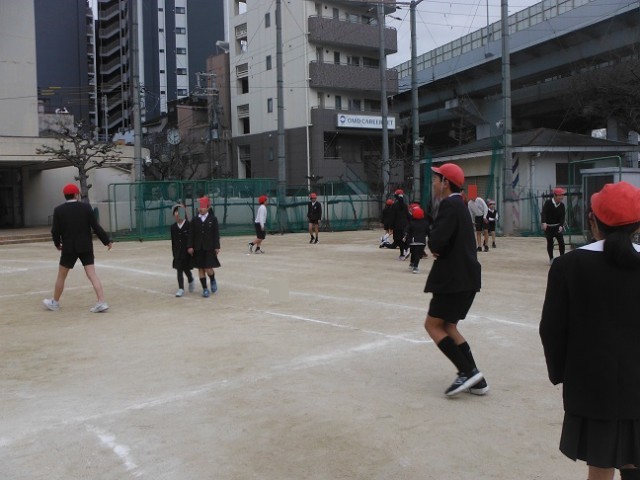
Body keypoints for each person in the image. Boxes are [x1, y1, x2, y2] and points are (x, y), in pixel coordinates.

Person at [540, 181, 640, 480]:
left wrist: (562, 372)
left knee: (600, 461)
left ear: (592, 221)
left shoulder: (568, 265)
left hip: (591, 384)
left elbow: (551, 329)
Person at [423, 164, 487, 396]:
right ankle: (477, 380)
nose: (433, 183)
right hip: (467, 277)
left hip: (453, 279)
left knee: (432, 325)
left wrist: (435, 244)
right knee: (449, 326)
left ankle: (467, 372)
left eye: (436, 179)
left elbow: (437, 241)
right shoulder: (460, 204)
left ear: (445, 182)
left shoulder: (449, 204)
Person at [43, 183, 113, 313]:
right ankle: (101, 302)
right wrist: (106, 241)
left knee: (61, 276)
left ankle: (55, 302)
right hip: (86, 246)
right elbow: (95, 226)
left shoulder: (59, 210)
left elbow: (55, 231)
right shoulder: (86, 208)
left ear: (65, 195)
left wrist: (57, 244)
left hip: (69, 248)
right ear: (76, 195)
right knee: (92, 274)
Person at [187, 196, 221, 298]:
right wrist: (190, 246)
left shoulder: (213, 219)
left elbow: (216, 234)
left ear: (208, 207)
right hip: (198, 248)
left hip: (209, 248)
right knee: (200, 268)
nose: (200, 209)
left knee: (208, 268)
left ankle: (212, 279)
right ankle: (205, 289)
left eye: (202, 207)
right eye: (199, 207)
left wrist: (217, 246)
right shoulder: (194, 220)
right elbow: (191, 234)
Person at [170, 204, 195, 297]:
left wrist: (191, 248)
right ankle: (181, 288)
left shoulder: (189, 225)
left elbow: (192, 238)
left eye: (179, 212)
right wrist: (174, 253)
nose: (177, 214)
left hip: (187, 252)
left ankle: (191, 279)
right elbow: (173, 241)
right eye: (175, 212)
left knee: (186, 269)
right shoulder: (173, 227)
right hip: (178, 252)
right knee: (179, 269)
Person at [541, 187, 566, 264]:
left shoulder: (562, 205)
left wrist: (561, 225)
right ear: (555, 195)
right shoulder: (548, 203)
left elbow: (562, 217)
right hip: (549, 226)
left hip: (557, 226)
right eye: (559, 195)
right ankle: (551, 259)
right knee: (550, 242)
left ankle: (562, 258)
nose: (561, 197)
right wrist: (544, 222)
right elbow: (544, 213)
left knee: (561, 242)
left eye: (562, 195)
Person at [385, 189, 410, 260]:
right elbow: (407, 215)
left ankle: (406, 249)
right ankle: (402, 254)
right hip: (405, 225)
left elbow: (392, 217)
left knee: (397, 240)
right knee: (402, 239)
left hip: (397, 226)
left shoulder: (394, 206)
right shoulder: (405, 205)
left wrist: (390, 227)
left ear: (396, 196)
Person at [404, 206, 429, 273]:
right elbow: (428, 232)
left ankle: (412, 263)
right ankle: (415, 267)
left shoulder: (411, 223)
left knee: (413, 253)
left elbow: (406, 230)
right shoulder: (425, 223)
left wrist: (405, 235)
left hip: (412, 241)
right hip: (421, 241)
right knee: (418, 255)